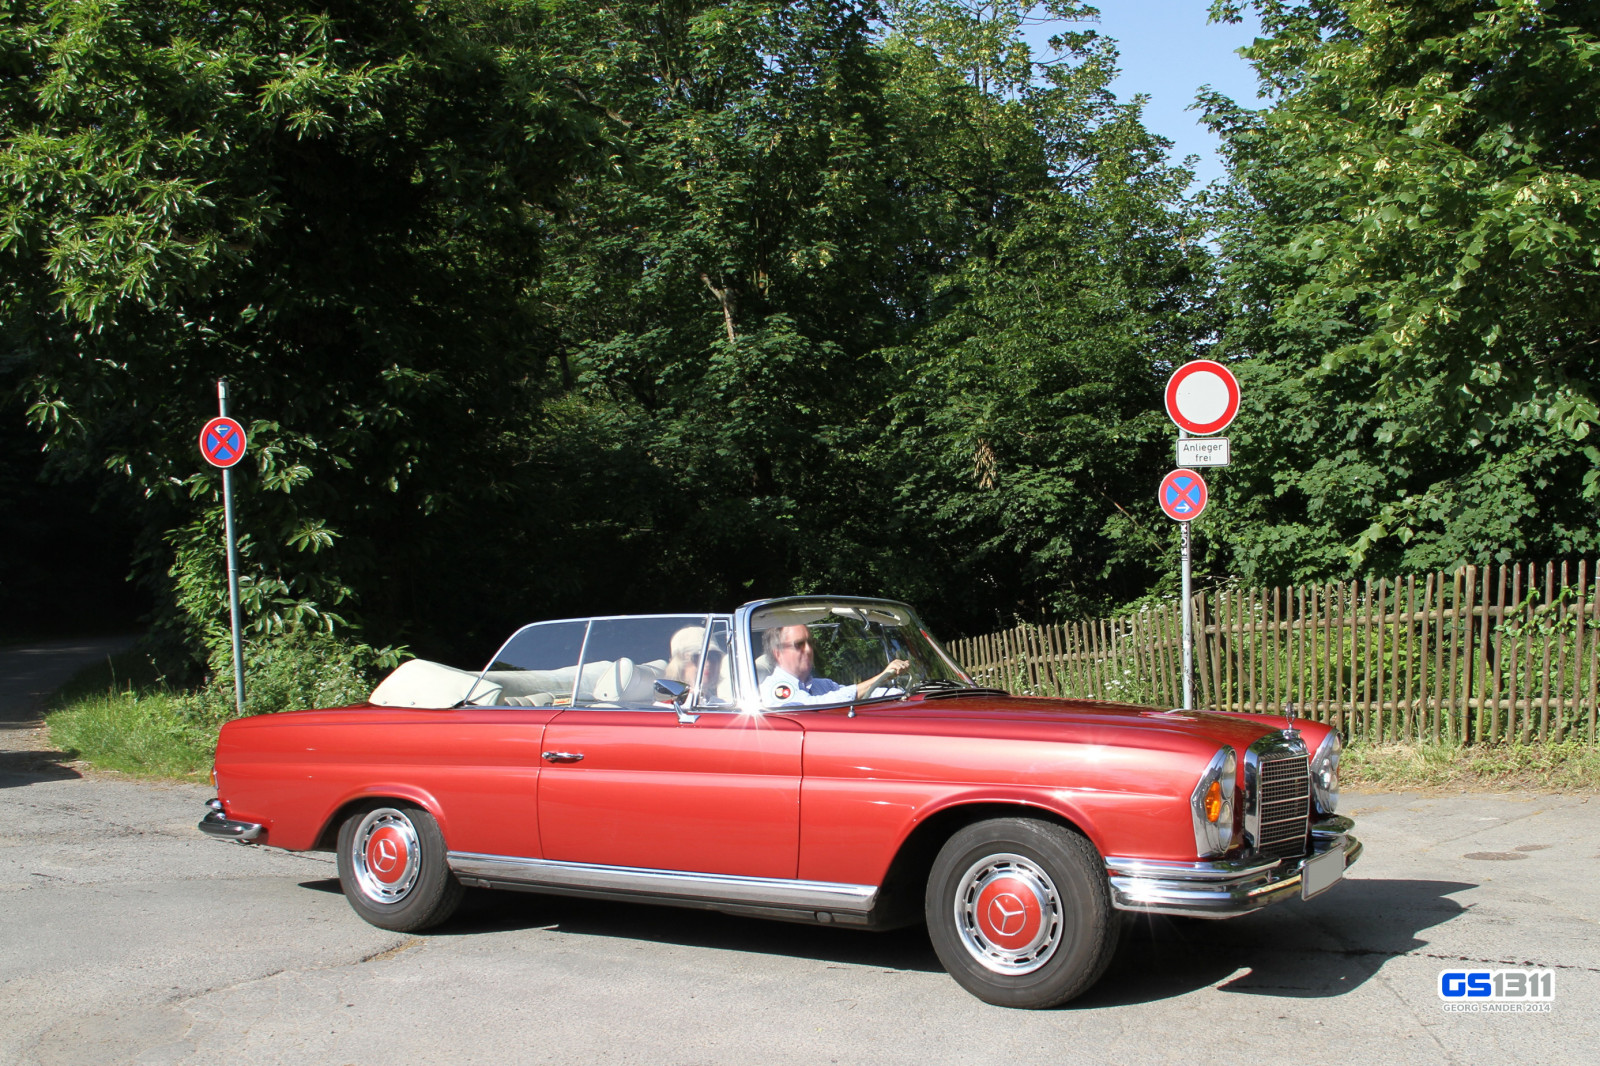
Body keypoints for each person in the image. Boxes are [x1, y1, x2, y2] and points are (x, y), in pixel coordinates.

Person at [759, 623, 909, 706]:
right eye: (799, 644)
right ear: (777, 653)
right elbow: (812, 706)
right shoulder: (774, 688)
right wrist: (881, 677)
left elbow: (865, 695)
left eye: (811, 643)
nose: (809, 649)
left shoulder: (823, 685)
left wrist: (902, 694)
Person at [665, 625, 728, 704]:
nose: (707, 663)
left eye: (713, 656)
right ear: (680, 663)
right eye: (697, 657)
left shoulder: (722, 705)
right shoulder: (666, 709)